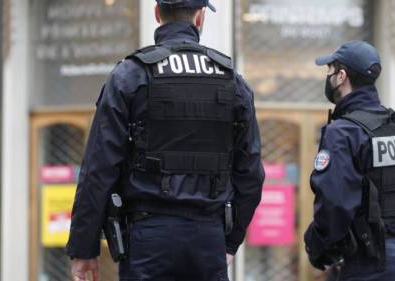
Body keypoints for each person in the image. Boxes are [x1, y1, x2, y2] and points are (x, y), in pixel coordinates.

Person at [65, 1, 265, 280]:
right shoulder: (232, 81)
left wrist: (84, 249)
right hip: (207, 238)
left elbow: (99, 168)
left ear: (157, 14)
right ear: (200, 18)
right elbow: (251, 175)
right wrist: (229, 242)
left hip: (148, 238)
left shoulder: (130, 75)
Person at [304, 41, 395, 281]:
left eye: (329, 71)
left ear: (341, 76)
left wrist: (316, 246)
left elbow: (335, 205)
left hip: (368, 261)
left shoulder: (342, 132)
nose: (327, 78)